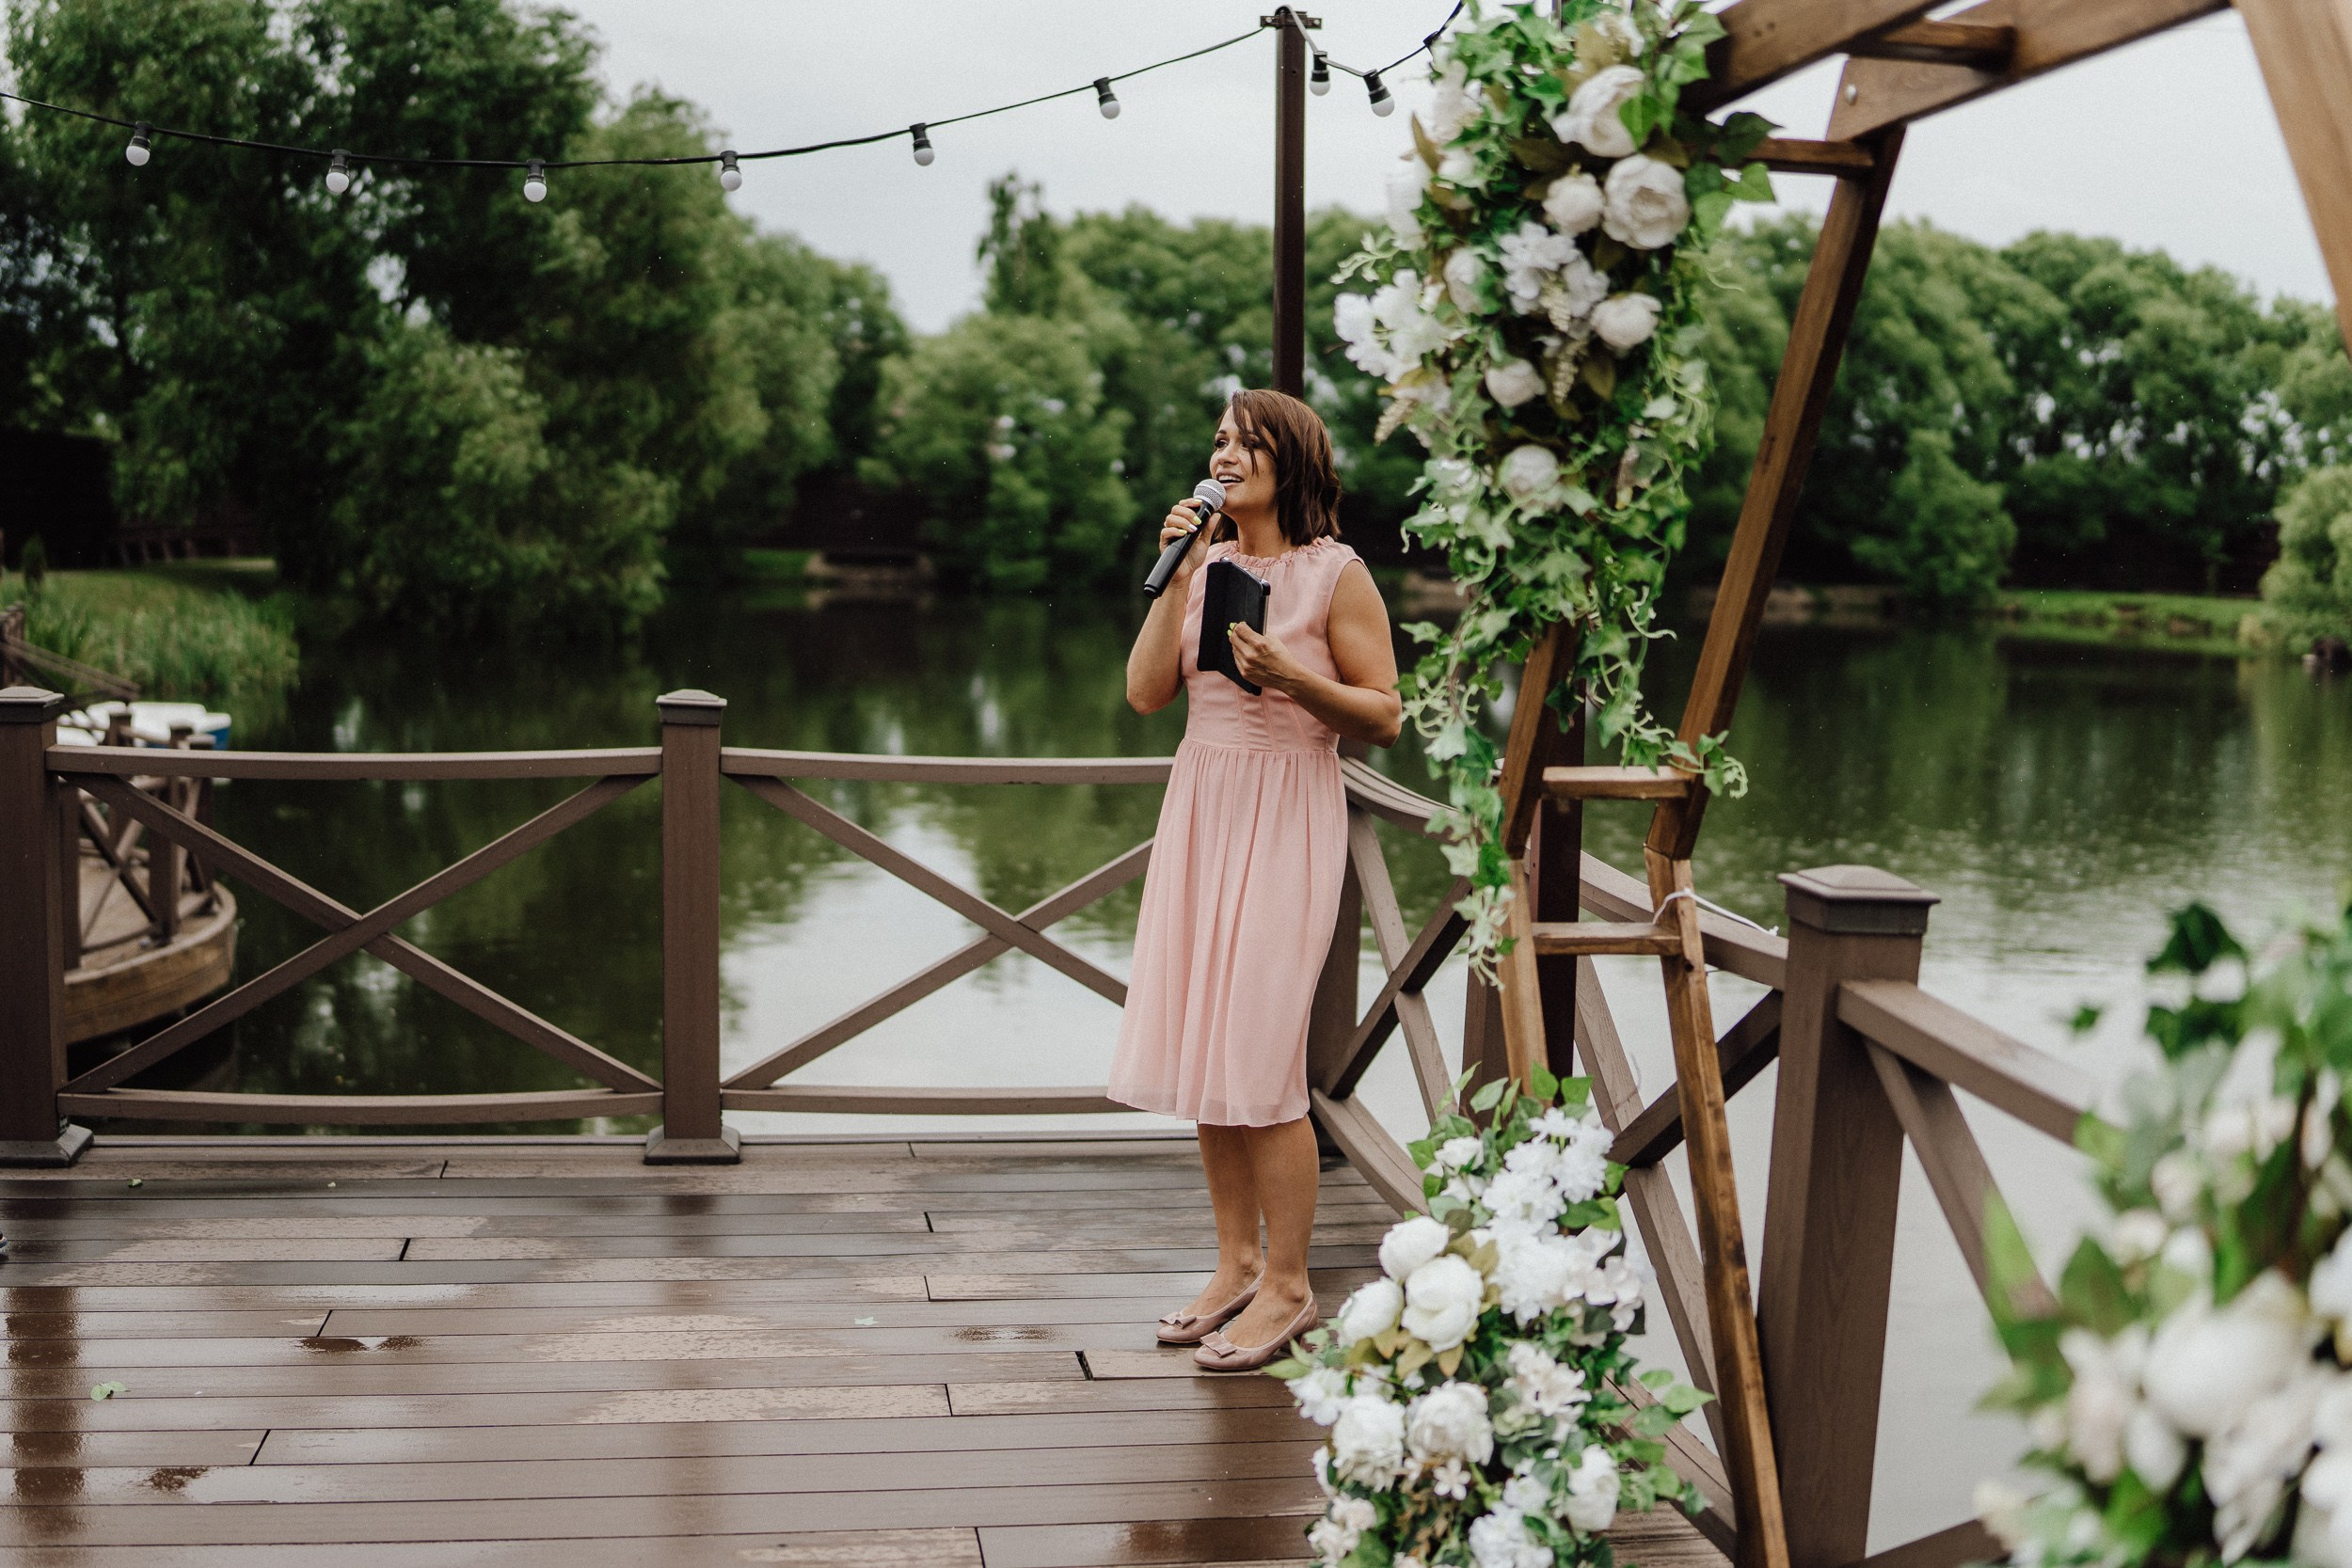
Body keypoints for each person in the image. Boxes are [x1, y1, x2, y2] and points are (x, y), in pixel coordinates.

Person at [1108, 388, 1402, 1372]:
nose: (1224, 453)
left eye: (1244, 440)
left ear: (1291, 459)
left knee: (1261, 1055)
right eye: (1219, 439)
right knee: (1208, 1044)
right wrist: (1178, 574)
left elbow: (1384, 714)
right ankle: (1235, 1262)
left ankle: (1289, 1283)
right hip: (1202, 804)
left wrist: (1294, 679)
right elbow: (1146, 693)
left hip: (1286, 813)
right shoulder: (1206, 562)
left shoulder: (1335, 573)